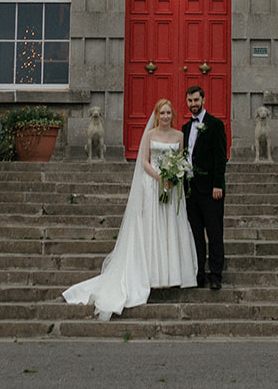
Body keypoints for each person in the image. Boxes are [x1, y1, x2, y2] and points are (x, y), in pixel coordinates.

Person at [62, 98, 197, 320]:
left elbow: (180, 159)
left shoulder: (179, 136)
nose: (165, 117)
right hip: (153, 185)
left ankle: (170, 274)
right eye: (161, 113)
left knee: (170, 227)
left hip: (172, 188)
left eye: (168, 113)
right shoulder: (150, 135)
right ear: (156, 115)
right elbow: (144, 161)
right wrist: (160, 176)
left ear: (172, 115)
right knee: (152, 227)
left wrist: (174, 176)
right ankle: (152, 275)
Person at [181, 85, 227, 290]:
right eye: (190, 101)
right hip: (190, 190)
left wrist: (218, 184)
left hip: (210, 190)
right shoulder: (185, 128)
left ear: (203, 100)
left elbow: (220, 157)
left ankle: (216, 274)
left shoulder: (215, 125)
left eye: (196, 101)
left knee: (215, 232)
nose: (193, 105)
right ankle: (199, 273)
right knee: (196, 234)